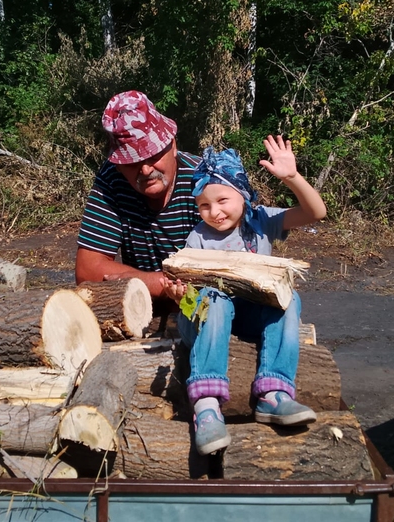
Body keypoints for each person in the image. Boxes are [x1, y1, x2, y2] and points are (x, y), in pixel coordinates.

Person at [164, 135, 327, 455]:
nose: (214, 212)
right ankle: (206, 406)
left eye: (222, 200)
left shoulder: (262, 220)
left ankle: (274, 394)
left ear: (242, 192)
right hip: (208, 320)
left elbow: (315, 212)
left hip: (250, 317)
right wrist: (180, 297)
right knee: (215, 299)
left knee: (289, 298)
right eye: (204, 205)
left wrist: (292, 177)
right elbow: (192, 302)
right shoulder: (197, 238)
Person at [75, 90, 201, 299]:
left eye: (153, 155)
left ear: (173, 145)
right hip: (141, 308)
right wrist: (162, 285)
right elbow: (87, 272)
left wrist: (131, 280)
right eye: (132, 162)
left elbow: (230, 269)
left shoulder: (204, 180)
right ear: (118, 164)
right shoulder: (112, 180)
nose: (145, 169)